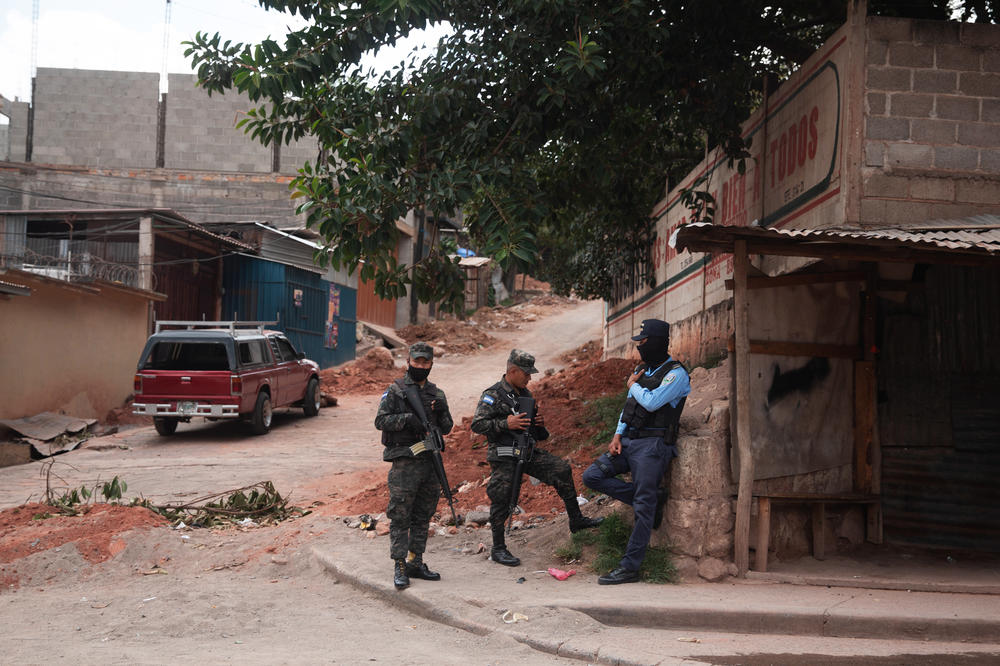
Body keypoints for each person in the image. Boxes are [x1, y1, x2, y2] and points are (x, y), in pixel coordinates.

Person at [471, 349, 603, 567]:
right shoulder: (492, 394)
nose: (529, 377)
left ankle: (576, 520)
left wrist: (538, 425)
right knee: (502, 496)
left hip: (526, 451)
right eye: (526, 373)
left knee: (561, 469)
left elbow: (538, 434)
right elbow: (477, 424)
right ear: (512, 371)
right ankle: (498, 548)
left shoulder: (525, 395)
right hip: (504, 454)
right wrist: (506, 423)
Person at [582, 318, 690, 585]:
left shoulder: (676, 374)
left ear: (657, 342)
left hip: (653, 447)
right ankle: (654, 501)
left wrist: (633, 385)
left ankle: (629, 567)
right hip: (629, 441)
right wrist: (618, 434)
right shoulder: (643, 371)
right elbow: (629, 407)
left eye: (643, 342)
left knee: (643, 506)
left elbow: (652, 403)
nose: (640, 347)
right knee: (592, 476)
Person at [374, 341, 454, 590]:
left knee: (422, 516)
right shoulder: (396, 390)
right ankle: (399, 564)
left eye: (425, 362)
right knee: (400, 516)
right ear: (408, 361)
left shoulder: (436, 394)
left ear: (431, 364)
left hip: (429, 463)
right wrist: (407, 420)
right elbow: (380, 421)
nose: (421, 365)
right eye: (417, 361)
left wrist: (441, 413)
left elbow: (448, 427)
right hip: (405, 463)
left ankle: (415, 561)